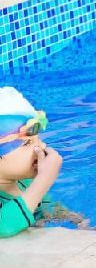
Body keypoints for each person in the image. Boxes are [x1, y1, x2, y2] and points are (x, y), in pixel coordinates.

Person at [0, 88, 62, 239]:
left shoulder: (26, 183)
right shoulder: (36, 184)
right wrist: (43, 180)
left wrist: (79, 221)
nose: (42, 146)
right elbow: (3, 227)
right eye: (27, 143)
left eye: (38, 139)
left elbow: (51, 210)